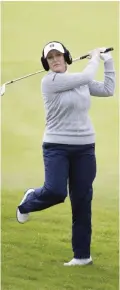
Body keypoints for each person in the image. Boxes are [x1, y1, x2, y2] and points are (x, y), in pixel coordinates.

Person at [16, 41, 115, 266]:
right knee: (56, 191)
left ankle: (82, 256)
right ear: (46, 63)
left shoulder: (79, 81)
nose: (55, 60)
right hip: (56, 147)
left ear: (66, 57)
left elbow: (108, 90)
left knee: (82, 200)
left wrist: (108, 62)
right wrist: (94, 58)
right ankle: (28, 202)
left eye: (58, 55)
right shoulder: (49, 82)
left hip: (85, 148)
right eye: (50, 58)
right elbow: (87, 76)